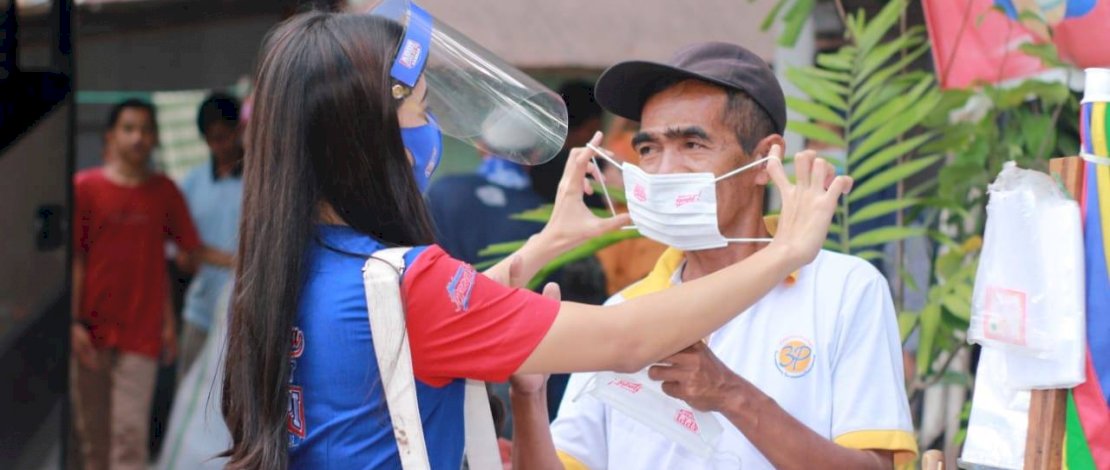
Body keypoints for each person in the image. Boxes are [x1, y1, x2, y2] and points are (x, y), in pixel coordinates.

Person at [220, 9, 850, 470]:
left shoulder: (302, 267)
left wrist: (541, 247)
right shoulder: (409, 281)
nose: (433, 130)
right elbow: (627, 341)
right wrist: (787, 252)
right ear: (366, 134)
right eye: (421, 109)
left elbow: (409, 328)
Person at [509, 42, 917, 469]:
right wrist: (529, 396)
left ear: (764, 160)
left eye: (691, 145)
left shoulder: (842, 289)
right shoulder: (626, 314)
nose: (664, 171)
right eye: (649, 150)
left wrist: (730, 393)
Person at [71, 99, 204, 470]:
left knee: (129, 439)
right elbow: (76, 259)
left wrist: (167, 324)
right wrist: (73, 322)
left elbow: (179, 257)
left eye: (146, 130)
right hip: (90, 331)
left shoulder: (165, 192)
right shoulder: (84, 188)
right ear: (111, 136)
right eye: (129, 129)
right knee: (93, 441)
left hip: (141, 333)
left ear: (156, 139)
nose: (138, 138)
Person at [175, 92, 243, 379]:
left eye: (228, 135)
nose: (222, 144)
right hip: (201, 311)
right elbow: (182, 249)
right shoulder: (191, 183)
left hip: (245, 311)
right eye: (215, 138)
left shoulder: (262, 180)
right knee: (187, 401)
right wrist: (231, 261)